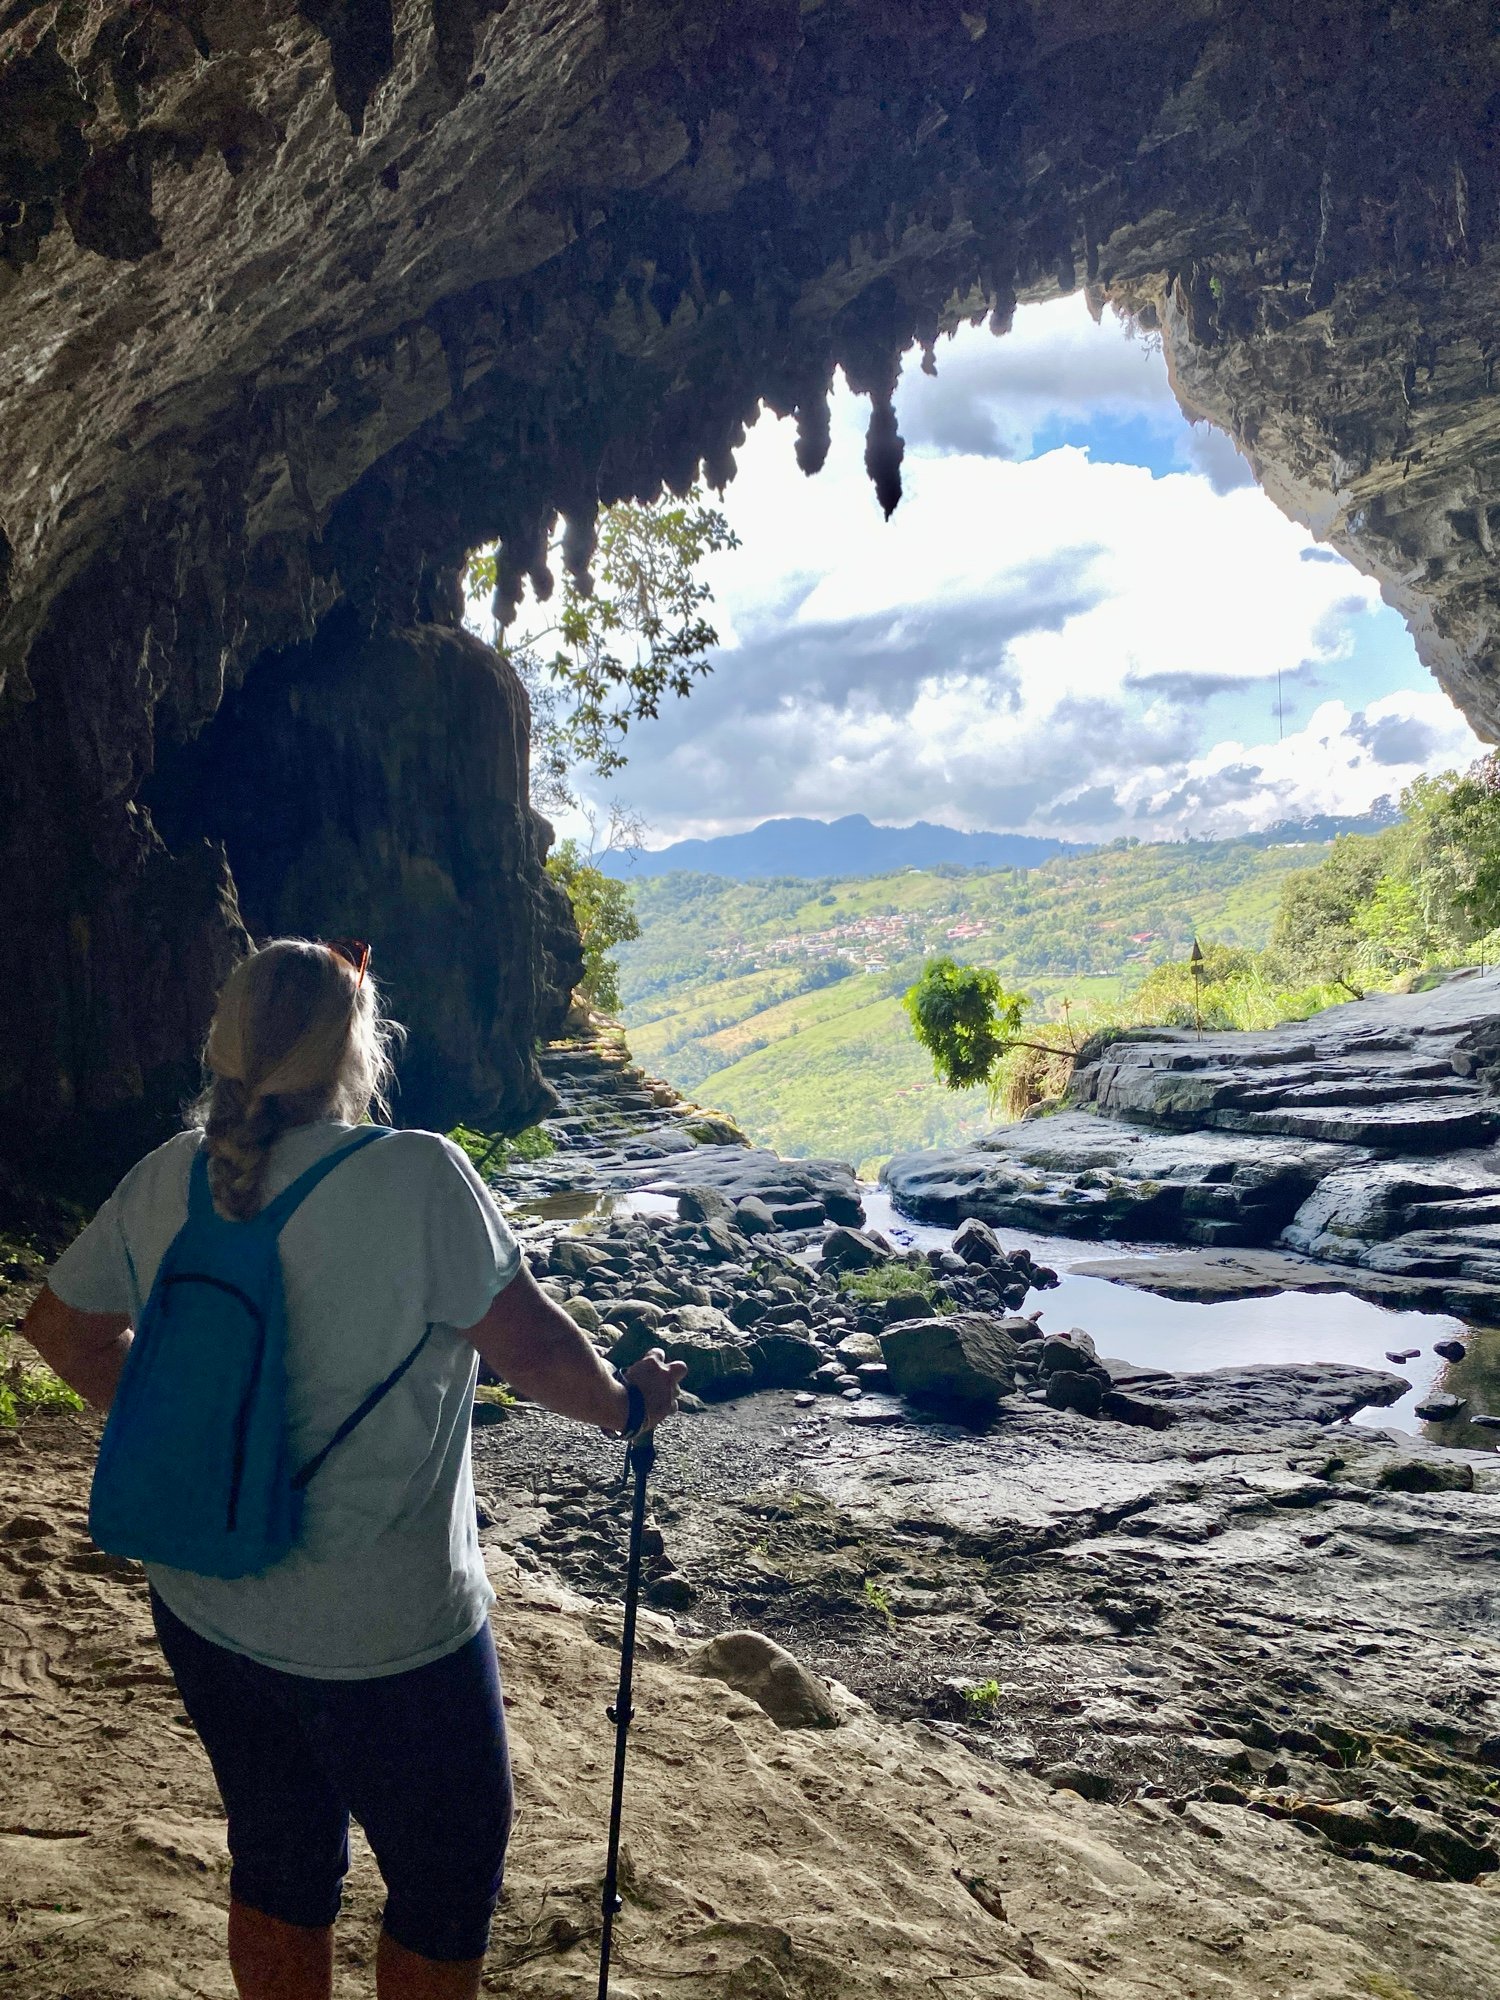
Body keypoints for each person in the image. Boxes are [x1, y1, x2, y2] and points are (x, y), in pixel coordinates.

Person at [23, 938, 685, 2000]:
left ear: (225, 1043)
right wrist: (628, 1406)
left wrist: (192, 1438)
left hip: (206, 1603)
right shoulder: (418, 1174)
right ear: (355, 1049)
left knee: (278, 1858)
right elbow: (536, 1352)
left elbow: (59, 1331)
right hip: (390, 1639)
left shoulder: (169, 1175)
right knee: (442, 1887)